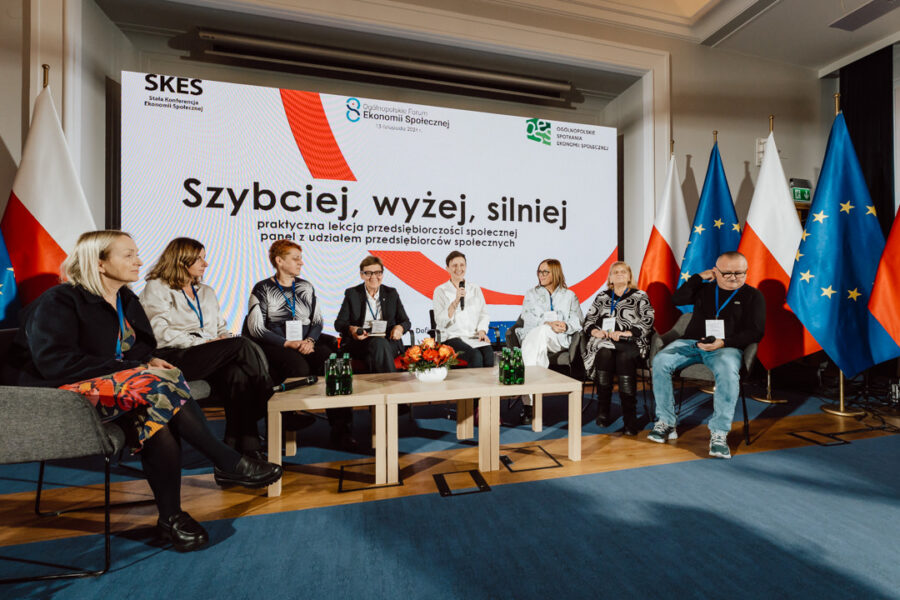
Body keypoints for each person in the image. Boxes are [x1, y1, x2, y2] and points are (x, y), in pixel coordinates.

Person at [7, 231, 282, 552]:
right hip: (57, 397)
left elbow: (138, 348)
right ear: (99, 263)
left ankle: (171, 518)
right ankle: (227, 461)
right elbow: (56, 363)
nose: (139, 260)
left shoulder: (125, 299)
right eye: (128, 255)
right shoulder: (60, 300)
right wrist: (133, 369)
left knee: (157, 408)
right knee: (155, 385)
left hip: (115, 389)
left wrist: (147, 360)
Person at [140, 237, 277, 459]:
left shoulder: (206, 291)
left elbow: (220, 328)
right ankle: (269, 395)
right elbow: (159, 333)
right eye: (200, 259)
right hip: (173, 355)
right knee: (242, 344)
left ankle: (241, 446)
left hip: (204, 354)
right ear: (181, 260)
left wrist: (221, 338)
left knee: (237, 374)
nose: (206, 264)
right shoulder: (157, 287)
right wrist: (203, 343)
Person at [648, 251, 765, 459]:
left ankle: (719, 433)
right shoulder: (705, 289)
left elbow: (756, 331)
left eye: (739, 273)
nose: (733, 277)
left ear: (746, 272)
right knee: (660, 361)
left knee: (728, 372)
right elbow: (677, 298)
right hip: (692, 342)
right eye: (727, 273)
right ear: (716, 271)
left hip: (726, 347)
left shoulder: (753, 296)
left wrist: (724, 342)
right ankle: (666, 421)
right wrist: (698, 278)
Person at [243, 240, 337, 439]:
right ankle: (287, 416)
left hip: (305, 342)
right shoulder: (262, 288)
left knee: (331, 362)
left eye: (301, 259)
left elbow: (318, 321)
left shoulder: (306, 287)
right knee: (298, 368)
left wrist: (310, 341)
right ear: (279, 261)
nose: (301, 263)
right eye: (295, 259)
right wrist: (288, 343)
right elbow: (256, 328)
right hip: (276, 343)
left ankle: (341, 427)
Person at [582, 261, 654, 435]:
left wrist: (629, 333)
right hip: (604, 341)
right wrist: (594, 331)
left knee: (623, 357)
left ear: (629, 276)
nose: (620, 274)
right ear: (610, 277)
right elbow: (588, 320)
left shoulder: (640, 296)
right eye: (616, 272)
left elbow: (648, 320)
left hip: (630, 342)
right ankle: (603, 408)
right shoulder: (602, 296)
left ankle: (629, 416)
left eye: (623, 271)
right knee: (605, 353)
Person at [516, 258, 584, 424]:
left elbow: (578, 320)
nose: (541, 275)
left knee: (534, 341)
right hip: (537, 334)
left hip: (558, 339)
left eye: (545, 272)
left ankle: (529, 405)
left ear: (555, 273)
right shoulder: (531, 294)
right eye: (539, 271)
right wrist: (546, 323)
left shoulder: (569, 296)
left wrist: (565, 325)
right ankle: (532, 400)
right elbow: (527, 318)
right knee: (540, 335)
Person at [432, 250, 494, 368]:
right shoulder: (440, 290)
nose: (458, 268)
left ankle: (486, 387)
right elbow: (440, 321)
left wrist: (481, 331)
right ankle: (472, 386)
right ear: (447, 268)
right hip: (451, 337)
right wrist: (455, 302)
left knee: (489, 353)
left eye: (462, 265)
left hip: (473, 336)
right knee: (475, 356)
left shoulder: (475, 289)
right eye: (454, 265)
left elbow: (483, 313)